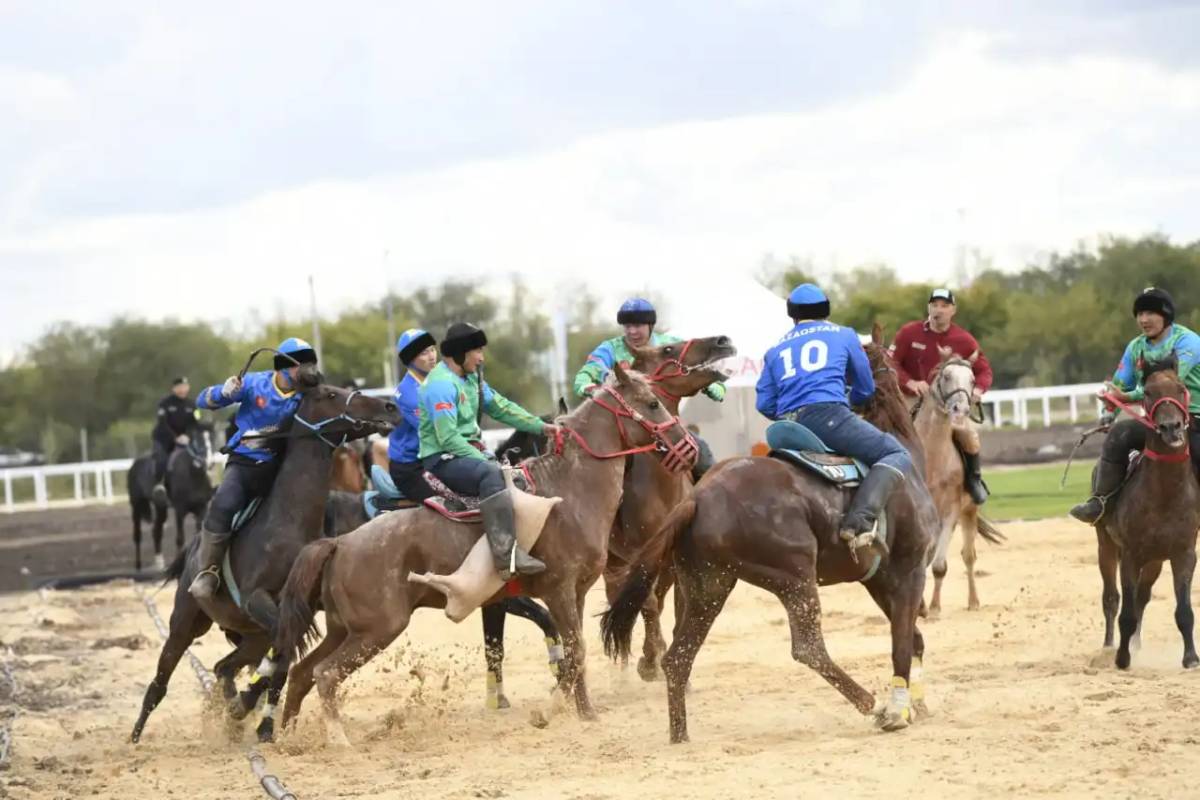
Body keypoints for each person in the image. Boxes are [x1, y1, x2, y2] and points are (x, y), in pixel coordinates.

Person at [756, 284, 913, 548]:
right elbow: (865, 387)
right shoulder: (844, 335)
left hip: (786, 427)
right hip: (829, 418)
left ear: (792, 314)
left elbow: (764, 404)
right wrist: (850, 401)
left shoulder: (774, 351)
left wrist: (791, 411)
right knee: (896, 454)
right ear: (826, 310)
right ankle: (860, 521)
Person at [418, 323, 559, 579]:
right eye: (477, 351)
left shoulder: (472, 379)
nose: (482, 358)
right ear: (460, 353)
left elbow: (502, 408)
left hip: (466, 453)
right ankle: (506, 557)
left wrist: (540, 426)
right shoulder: (441, 385)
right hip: (443, 459)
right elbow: (448, 438)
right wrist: (487, 460)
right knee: (492, 475)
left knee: (522, 475)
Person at [188, 337, 319, 600]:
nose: (309, 370)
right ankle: (208, 571)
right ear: (284, 367)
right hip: (244, 464)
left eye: (311, 364)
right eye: (302, 364)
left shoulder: (309, 394)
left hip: (283, 468)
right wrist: (224, 393)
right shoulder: (253, 384)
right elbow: (202, 400)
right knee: (223, 504)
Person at [1070, 287, 1200, 524]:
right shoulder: (1135, 347)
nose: (1143, 319)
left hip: (1194, 420)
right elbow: (1120, 385)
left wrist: (1126, 397)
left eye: (1150, 313)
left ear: (1166, 315)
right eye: (1139, 314)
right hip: (1153, 422)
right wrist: (1108, 412)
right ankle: (1100, 503)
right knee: (1118, 436)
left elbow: (1168, 384)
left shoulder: (1188, 341)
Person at [573, 297, 722, 475]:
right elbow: (586, 373)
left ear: (650, 325)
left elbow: (702, 369)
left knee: (701, 453)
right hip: (627, 430)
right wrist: (587, 385)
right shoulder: (609, 349)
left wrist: (714, 386)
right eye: (627, 326)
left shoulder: (671, 345)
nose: (632, 331)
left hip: (668, 426)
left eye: (637, 326)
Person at [889, 287, 993, 505]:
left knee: (969, 434)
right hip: (909, 399)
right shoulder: (909, 333)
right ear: (929, 308)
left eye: (944, 306)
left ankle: (974, 480)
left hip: (947, 404)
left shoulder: (964, 340)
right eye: (934, 305)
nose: (939, 310)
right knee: (886, 432)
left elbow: (984, 370)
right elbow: (891, 362)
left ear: (953, 310)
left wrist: (977, 390)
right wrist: (910, 382)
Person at [387, 329, 440, 502]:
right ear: (410, 359)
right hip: (410, 468)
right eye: (424, 353)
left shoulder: (437, 381)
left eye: (432, 349)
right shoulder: (408, 393)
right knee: (448, 503)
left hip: (431, 459)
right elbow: (438, 432)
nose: (432, 356)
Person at [151, 377, 196, 503]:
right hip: (164, 440)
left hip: (185, 440)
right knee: (161, 459)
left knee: (198, 458)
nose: (183, 389)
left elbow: (194, 424)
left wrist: (188, 436)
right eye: (180, 387)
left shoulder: (192, 405)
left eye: (185, 387)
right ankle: (159, 484)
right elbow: (163, 423)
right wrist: (175, 438)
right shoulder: (164, 404)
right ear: (174, 389)